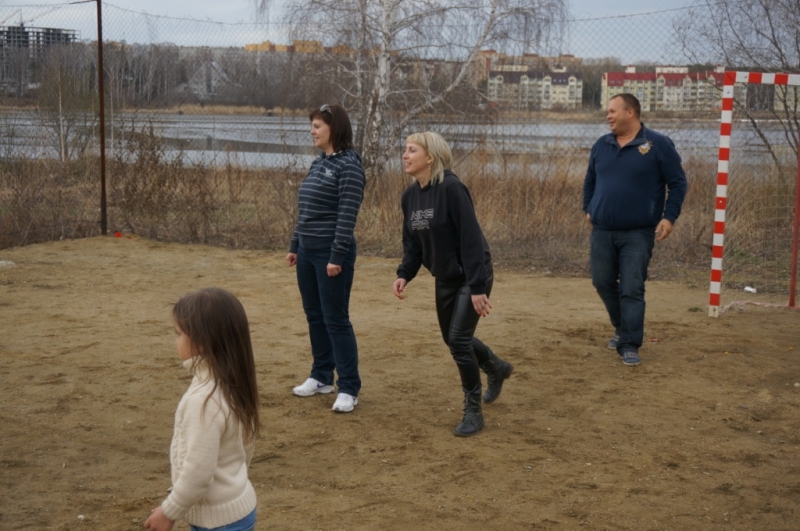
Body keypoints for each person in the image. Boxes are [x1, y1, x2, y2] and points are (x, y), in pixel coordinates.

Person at [392, 132, 514, 437]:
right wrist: (404, 272)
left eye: (411, 150)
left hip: (472, 273)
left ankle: (473, 410)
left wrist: (477, 287)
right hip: (445, 278)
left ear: (430, 157)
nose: (404, 155)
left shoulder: (451, 188)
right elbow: (413, 245)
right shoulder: (409, 197)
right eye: (404, 150)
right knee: (453, 338)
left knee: (459, 341)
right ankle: (496, 367)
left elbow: (471, 240)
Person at [583, 93, 688, 367]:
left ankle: (629, 343)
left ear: (630, 113)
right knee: (602, 282)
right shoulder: (601, 145)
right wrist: (588, 208)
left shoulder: (658, 145)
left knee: (631, 288)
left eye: (612, 111)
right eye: (607, 111)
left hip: (638, 233)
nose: (608, 116)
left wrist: (669, 218)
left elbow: (677, 183)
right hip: (602, 230)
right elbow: (590, 181)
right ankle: (621, 327)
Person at [145, 288, 260, 531]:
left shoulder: (203, 400)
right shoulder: (234, 382)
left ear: (202, 342)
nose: (175, 341)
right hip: (239, 507)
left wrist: (169, 511)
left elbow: (198, 472)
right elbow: (245, 447)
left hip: (218, 523)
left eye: (178, 334)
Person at [286, 103, 365, 413]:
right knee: (315, 316)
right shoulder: (319, 164)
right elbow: (305, 209)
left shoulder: (350, 166)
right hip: (306, 251)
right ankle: (321, 377)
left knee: (336, 319)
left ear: (335, 129)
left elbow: (347, 215)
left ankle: (349, 387)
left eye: (317, 126)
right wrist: (295, 245)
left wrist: (336, 255)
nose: (312, 131)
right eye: (312, 125)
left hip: (332, 255)